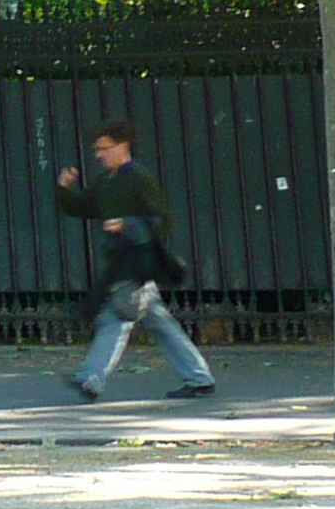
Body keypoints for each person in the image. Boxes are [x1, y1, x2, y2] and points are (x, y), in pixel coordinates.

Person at [54, 118, 215, 402]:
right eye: (97, 150)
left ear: (123, 146)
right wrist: (65, 190)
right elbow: (84, 207)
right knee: (158, 321)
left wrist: (126, 224)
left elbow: (162, 219)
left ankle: (91, 379)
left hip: (136, 263)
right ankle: (199, 377)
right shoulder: (106, 181)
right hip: (124, 263)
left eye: (104, 148)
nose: (99, 155)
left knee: (116, 317)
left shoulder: (139, 178)